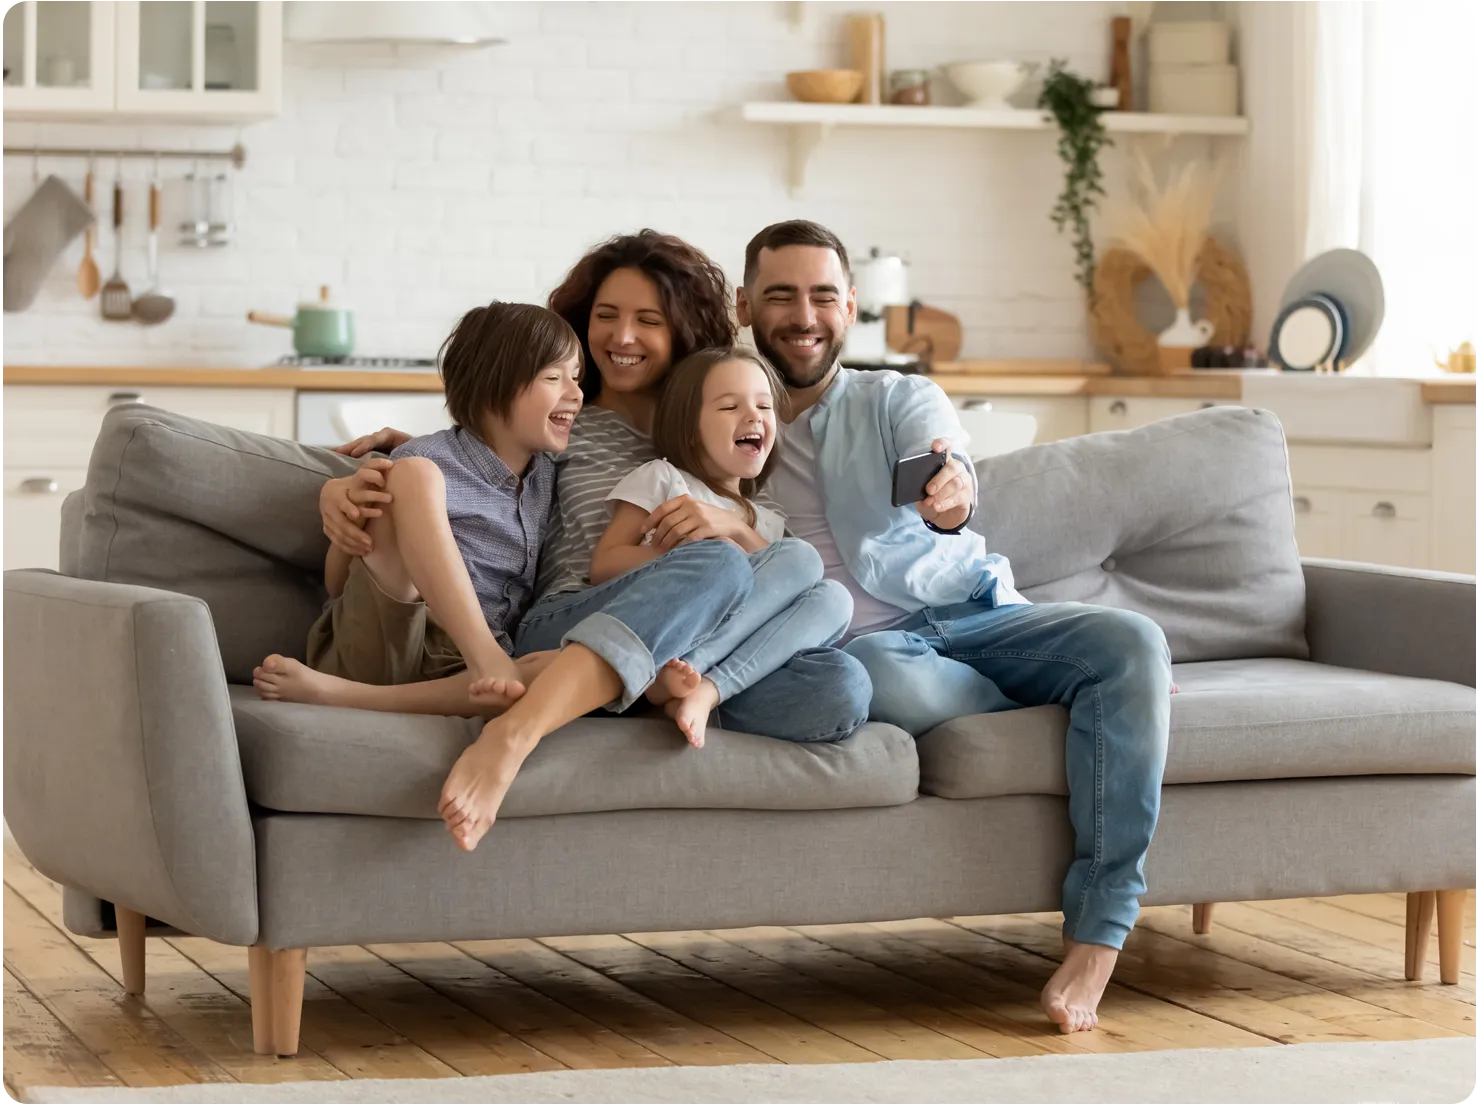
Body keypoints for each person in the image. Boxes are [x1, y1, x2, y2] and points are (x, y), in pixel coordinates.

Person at [736, 219, 1172, 1036]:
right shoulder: (723, 413)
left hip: (972, 617)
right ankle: (1099, 699)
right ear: (744, 302)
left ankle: (1099, 930)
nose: (804, 315)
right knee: (878, 673)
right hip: (867, 652)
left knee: (1133, 640)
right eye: (782, 295)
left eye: (823, 295)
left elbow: (947, 467)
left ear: (850, 305)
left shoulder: (894, 396)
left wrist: (951, 493)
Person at [326, 230, 872, 852]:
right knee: (715, 566)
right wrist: (351, 481)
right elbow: (476, 450)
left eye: (649, 320)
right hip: (570, 621)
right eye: (605, 318)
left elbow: (782, 575)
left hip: (691, 650)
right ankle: (522, 730)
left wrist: (732, 524)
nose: (622, 337)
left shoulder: (720, 441)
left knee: (841, 688)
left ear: (684, 331)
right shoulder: (567, 422)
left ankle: (655, 688)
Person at [253, 299, 582, 719]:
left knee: (567, 666)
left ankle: (340, 696)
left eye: (576, 377)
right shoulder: (419, 462)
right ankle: (481, 655)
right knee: (414, 475)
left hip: (463, 674)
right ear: (491, 386)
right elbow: (337, 584)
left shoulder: (549, 478)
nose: (576, 393)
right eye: (555, 377)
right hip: (381, 641)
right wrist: (351, 515)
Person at [593, 346, 852, 748]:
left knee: (834, 597)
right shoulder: (663, 479)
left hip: (732, 658)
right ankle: (673, 678)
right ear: (690, 426)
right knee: (801, 560)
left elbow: (791, 597)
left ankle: (704, 690)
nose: (753, 416)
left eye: (764, 406)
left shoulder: (770, 520)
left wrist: (736, 528)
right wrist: (684, 558)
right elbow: (604, 566)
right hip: (671, 631)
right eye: (730, 406)